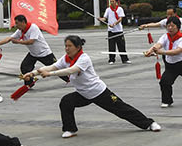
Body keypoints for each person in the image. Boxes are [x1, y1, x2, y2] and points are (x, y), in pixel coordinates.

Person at [29, 35, 160, 138]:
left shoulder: (84, 58)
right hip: (83, 93)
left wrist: (50, 74)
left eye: (69, 46)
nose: (67, 48)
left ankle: (149, 123)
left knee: (122, 109)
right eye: (66, 46)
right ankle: (70, 129)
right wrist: (32, 73)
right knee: (66, 102)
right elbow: (52, 66)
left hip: (98, 92)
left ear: (78, 47)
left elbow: (72, 70)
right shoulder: (66, 58)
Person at [0, 15, 57, 79]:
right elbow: (9, 39)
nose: (15, 25)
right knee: (24, 68)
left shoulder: (33, 27)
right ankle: (29, 83)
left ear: (23, 22)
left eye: (17, 23)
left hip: (45, 53)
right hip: (33, 54)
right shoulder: (20, 31)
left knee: (56, 68)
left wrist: (18, 41)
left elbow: (31, 41)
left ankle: (64, 78)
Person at [97, 0, 128, 64]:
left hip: (119, 30)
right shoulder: (108, 9)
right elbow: (105, 18)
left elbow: (120, 19)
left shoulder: (120, 9)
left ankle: (125, 59)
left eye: (113, 1)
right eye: (111, 1)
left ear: (116, 2)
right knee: (111, 46)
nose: (111, 3)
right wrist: (100, 19)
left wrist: (114, 24)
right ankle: (111, 60)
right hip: (111, 31)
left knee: (121, 45)